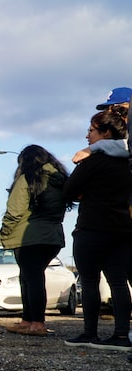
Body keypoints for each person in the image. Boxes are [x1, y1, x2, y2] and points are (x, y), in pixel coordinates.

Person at [63, 107, 132, 351]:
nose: (87, 136)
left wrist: (84, 193)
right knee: (119, 282)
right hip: (124, 229)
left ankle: (89, 333)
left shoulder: (93, 161)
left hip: (92, 228)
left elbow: (69, 191)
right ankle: (122, 336)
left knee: (90, 281)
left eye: (91, 130)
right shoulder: (128, 161)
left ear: (105, 132)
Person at [0, 146, 70, 336]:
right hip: (53, 237)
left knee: (31, 278)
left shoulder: (27, 179)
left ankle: (36, 323)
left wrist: (5, 232)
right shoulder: (59, 180)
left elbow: (14, 211)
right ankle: (29, 320)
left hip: (28, 237)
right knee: (31, 276)